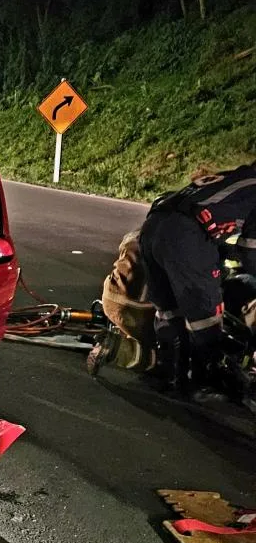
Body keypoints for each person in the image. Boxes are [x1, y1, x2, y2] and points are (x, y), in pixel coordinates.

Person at [138, 161, 256, 401]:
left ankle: (170, 373)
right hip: (187, 235)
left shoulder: (234, 177)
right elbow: (251, 251)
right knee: (206, 317)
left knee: (168, 309)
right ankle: (202, 382)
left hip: (153, 226)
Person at [86, 230, 158, 376]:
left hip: (111, 299)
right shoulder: (189, 239)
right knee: (171, 357)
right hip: (139, 311)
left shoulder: (150, 227)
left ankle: (128, 337)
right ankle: (121, 350)